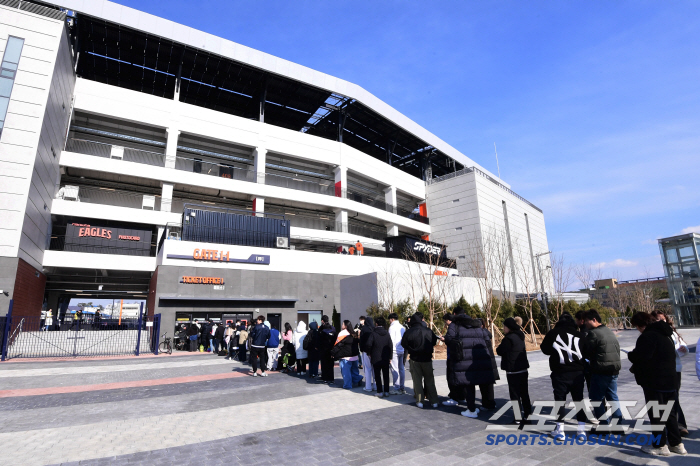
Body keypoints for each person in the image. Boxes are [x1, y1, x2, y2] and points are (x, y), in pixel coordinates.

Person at [628, 311, 685, 456]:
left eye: (636, 326)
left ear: (641, 325)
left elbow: (642, 357)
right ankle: (676, 444)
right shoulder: (666, 334)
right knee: (670, 413)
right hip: (670, 381)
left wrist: (631, 355)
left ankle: (660, 446)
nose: (637, 330)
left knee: (657, 414)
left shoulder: (648, 337)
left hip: (655, 382)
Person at [540, 311, 588, 439]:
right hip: (577, 373)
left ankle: (560, 430)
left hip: (560, 372)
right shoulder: (580, 335)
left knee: (560, 400)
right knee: (579, 400)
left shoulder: (553, 333)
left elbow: (545, 349)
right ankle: (581, 430)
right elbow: (586, 352)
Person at [445, 310, 495, 418]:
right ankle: (480, 406)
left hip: (464, 360)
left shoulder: (454, 325)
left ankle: (471, 410)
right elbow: (487, 337)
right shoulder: (476, 325)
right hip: (478, 359)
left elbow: (449, 339)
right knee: (479, 383)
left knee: (468, 386)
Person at [651, 310, 689, 436]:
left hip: (675, 369)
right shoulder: (654, 333)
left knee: (673, 398)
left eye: (663, 319)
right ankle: (673, 424)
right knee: (669, 399)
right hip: (662, 370)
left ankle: (680, 424)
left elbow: (682, 346)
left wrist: (684, 349)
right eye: (657, 319)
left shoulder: (672, 332)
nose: (661, 322)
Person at [582, 310, 622, 429]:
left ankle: (603, 426)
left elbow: (586, 351)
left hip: (601, 370)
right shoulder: (608, 331)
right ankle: (618, 425)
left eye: (586, 321)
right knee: (612, 397)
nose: (585, 324)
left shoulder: (593, 333)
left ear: (594, 320)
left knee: (596, 398)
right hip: (613, 369)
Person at [497, 317, 532, 424]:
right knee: (524, 393)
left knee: (515, 395)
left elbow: (500, 351)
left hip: (513, 370)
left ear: (508, 327)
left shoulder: (508, 339)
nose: (503, 329)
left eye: (504, 327)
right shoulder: (520, 336)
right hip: (523, 369)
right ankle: (528, 415)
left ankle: (517, 417)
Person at [401, 312, 439, 408]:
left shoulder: (409, 332)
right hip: (427, 358)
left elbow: (403, 344)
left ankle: (420, 401)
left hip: (414, 359)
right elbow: (434, 341)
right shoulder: (428, 331)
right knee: (430, 380)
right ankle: (434, 401)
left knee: (417, 380)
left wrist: (411, 348)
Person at [365, 316, 393, 397]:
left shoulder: (373, 333)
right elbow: (390, 346)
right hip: (385, 357)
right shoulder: (387, 333)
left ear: (376, 324)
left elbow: (368, 344)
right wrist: (390, 357)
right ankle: (387, 391)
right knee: (386, 375)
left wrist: (369, 353)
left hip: (375, 357)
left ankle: (380, 391)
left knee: (377, 375)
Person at [332, 320, 363, 389]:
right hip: (354, 356)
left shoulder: (342, 333)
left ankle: (347, 385)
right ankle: (358, 379)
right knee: (354, 371)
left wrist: (333, 353)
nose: (342, 325)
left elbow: (338, 344)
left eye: (343, 324)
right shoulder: (354, 333)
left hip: (345, 356)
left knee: (346, 372)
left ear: (345, 326)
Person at [441, 313, 463, 407]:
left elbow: (450, 340)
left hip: (452, 355)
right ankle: (461, 395)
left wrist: (444, 339)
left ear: (448, 320)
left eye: (445, 321)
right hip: (460, 355)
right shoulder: (460, 326)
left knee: (451, 377)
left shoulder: (452, 327)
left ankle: (454, 397)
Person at [388, 312, 406, 395]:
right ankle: (402, 387)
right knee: (401, 369)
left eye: (389, 320)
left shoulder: (392, 328)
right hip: (401, 350)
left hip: (394, 351)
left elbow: (390, 341)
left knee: (395, 369)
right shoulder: (402, 327)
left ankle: (396, 387)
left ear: (392, 319)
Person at [575, 310, 592, 392]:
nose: (575, 322)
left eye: (576, 320)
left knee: (591, 386)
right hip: (593, 362)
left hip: (587, 363)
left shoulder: (582, 333)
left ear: (581, 321)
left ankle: (598, 404)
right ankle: (601, 403)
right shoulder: (591, 330)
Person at [359, 316, 376, 392]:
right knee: (375, 369)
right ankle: (375, 386)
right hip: (374, 352)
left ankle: (368, 387)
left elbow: (361, 341)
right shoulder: (374, 329)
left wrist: (361, 350)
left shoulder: (364, 329)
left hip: (366, 352)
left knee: (367, 369)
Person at [319, 315, 337, 383]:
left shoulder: (322, 330)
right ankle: (331, 378)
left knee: (324, 364)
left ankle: (325, 378)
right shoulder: (333, 329)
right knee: (330, 365)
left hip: (324, 350)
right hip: (331, 349)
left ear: (322, 321)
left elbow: (319, 340)